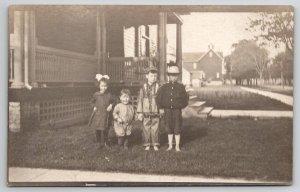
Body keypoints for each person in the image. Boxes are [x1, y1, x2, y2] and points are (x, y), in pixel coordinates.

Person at [156, 64, 189, 152]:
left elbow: (185, 99)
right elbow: (159, 98)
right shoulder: (164, 87)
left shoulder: (181, 87)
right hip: (167, 110)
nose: (173, 77)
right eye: (171, 75)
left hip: (177, 111)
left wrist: (180, 106)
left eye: (175, 75)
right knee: (168, 127)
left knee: (177, 127)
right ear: (168, 76)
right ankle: (170, 145)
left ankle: (177, 146)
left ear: (177, 76)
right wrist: (161, 107)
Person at [137, 66, 162, 151]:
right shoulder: (143, 88)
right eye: (151, 76)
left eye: (155, 76)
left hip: (156, 112)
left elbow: (161, 99)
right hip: (146, 112)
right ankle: (147, 144)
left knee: (155, 128)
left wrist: (161, 109)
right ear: (146, 76)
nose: (153, 77)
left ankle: (155, 143)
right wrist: (140, 112)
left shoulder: (159, 87)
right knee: (146, 128)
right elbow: (140, 100)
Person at [90, 74, 115, 149]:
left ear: (107, 86)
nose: (103, 88)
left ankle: (106, 142)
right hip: (98, 115)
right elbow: (92, 102)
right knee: (98, 129)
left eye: (105, 86)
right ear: (99, 86)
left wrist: (111, 105)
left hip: (106, 116)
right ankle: (98, 142)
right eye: (102, 86)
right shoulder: (96, 95)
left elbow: (115, 101)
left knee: (105, 129)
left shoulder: (109, 95)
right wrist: (94, 106)